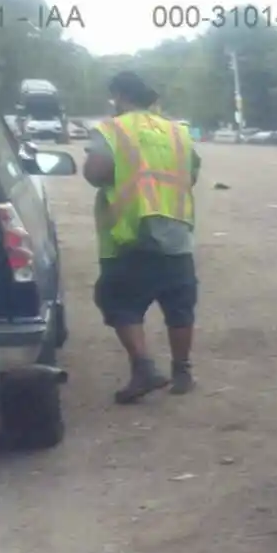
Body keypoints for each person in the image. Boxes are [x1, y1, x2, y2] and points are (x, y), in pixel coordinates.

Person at [82, 71, 201, 402]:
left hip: (127, 233)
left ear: (119, 96)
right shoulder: (179, 131)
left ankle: (144, 368)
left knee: (121, 303)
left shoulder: (112, 129)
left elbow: (95, 174)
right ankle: (182, 372)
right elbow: (191, 172)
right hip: (175, 230)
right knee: (179, 305)